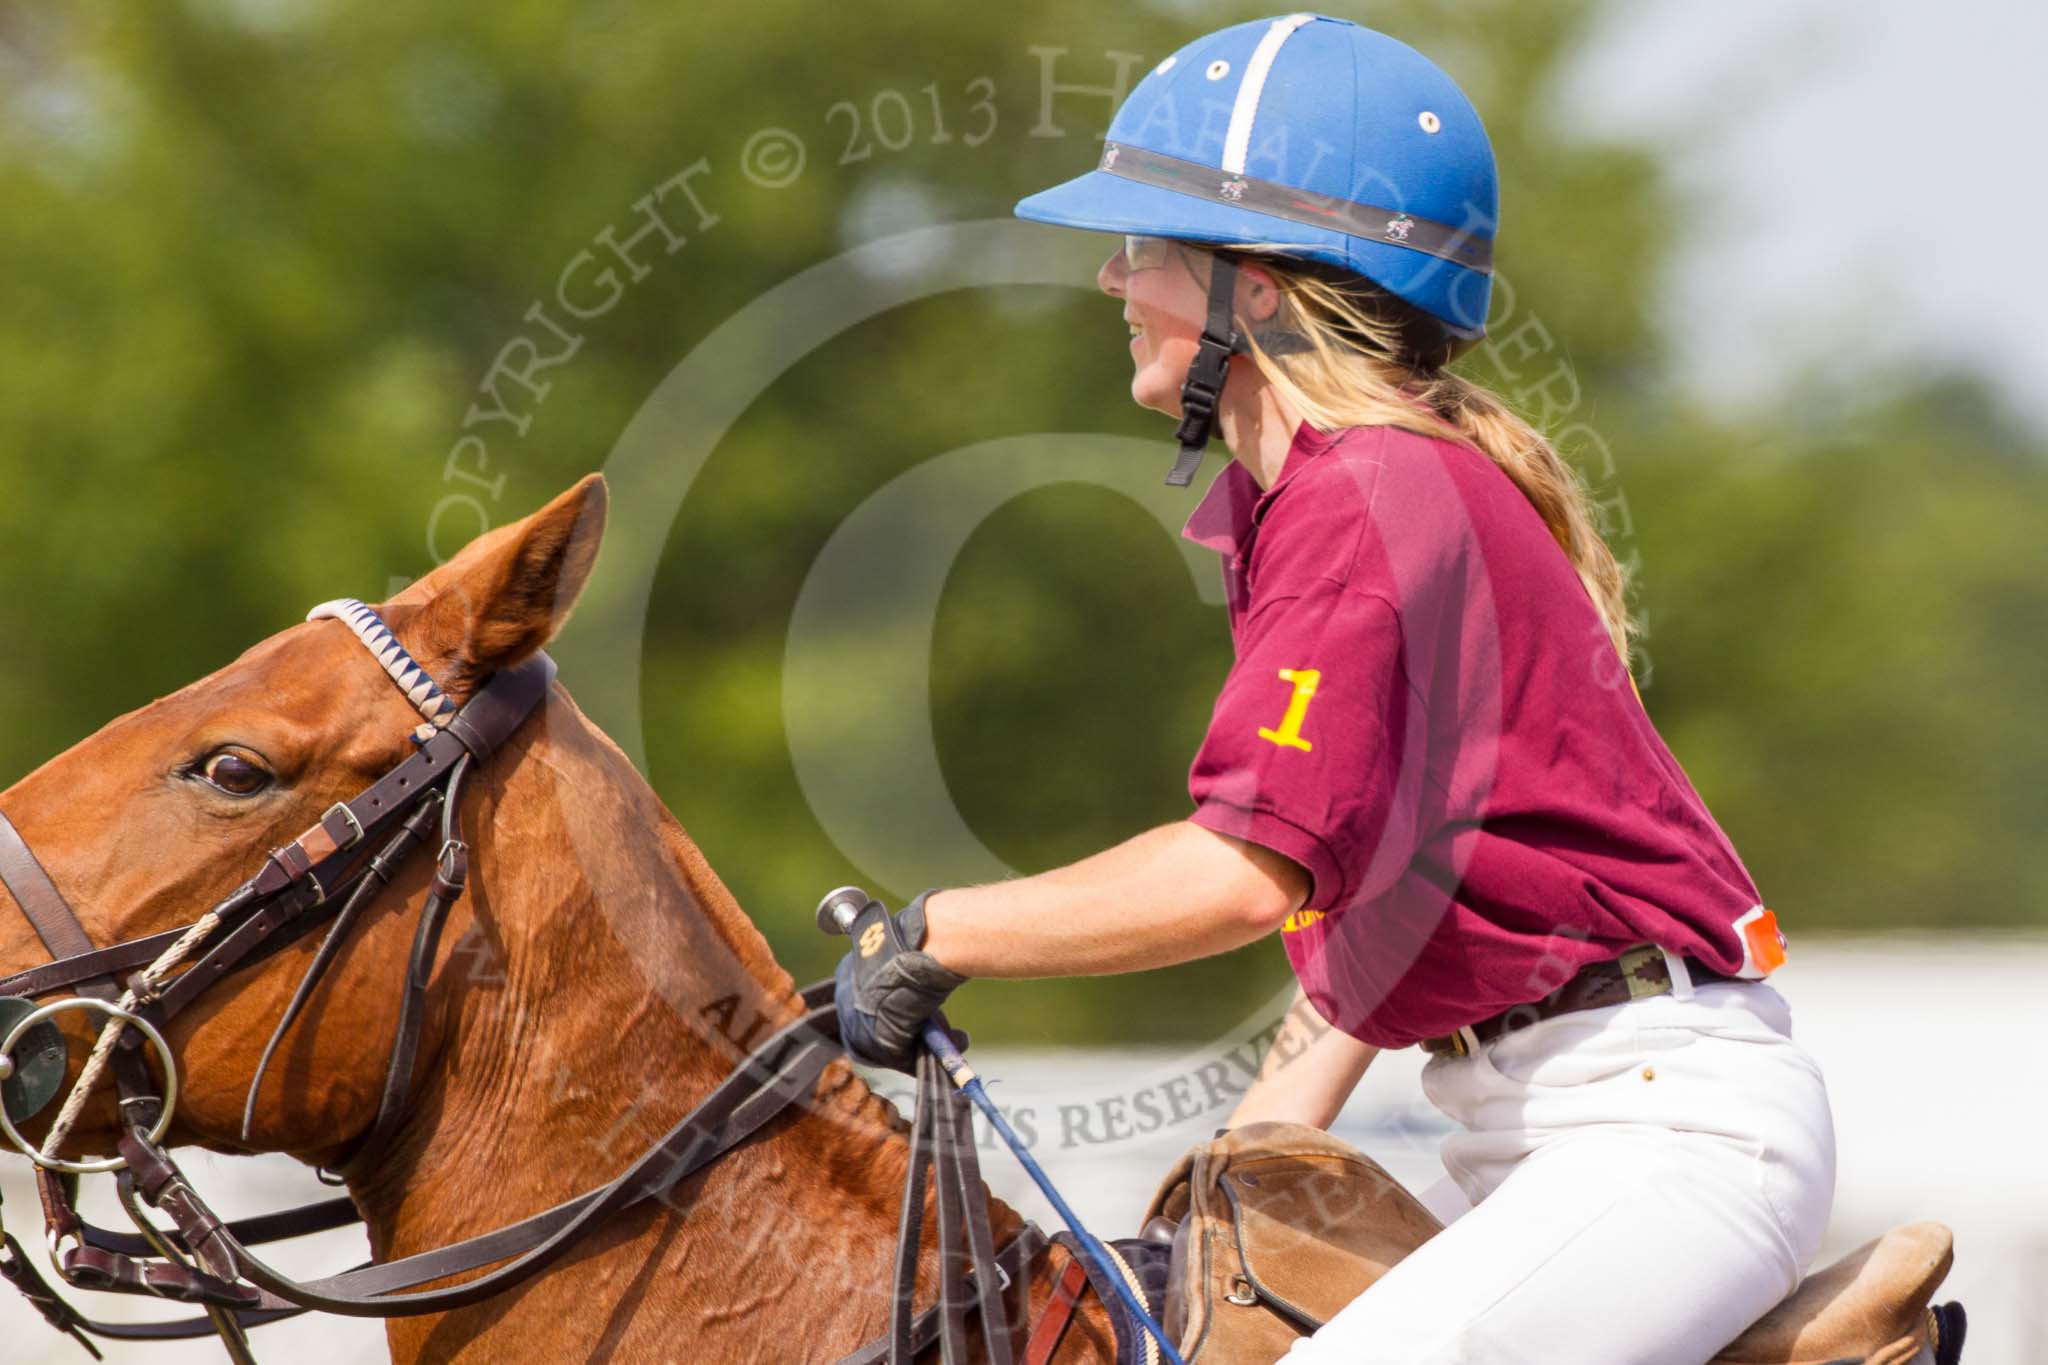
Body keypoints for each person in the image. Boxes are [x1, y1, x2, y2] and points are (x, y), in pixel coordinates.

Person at [833, 15, 1836, 1363]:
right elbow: (1359, 936)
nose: (1111, 274)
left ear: (1260, 289)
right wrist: (1227, 1176)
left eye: (1148, 241)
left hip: (1655, 1125)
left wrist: (941, 930)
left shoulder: (1369, 498)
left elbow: (1245, 874)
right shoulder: (1324, 498)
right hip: (1545, 1121)